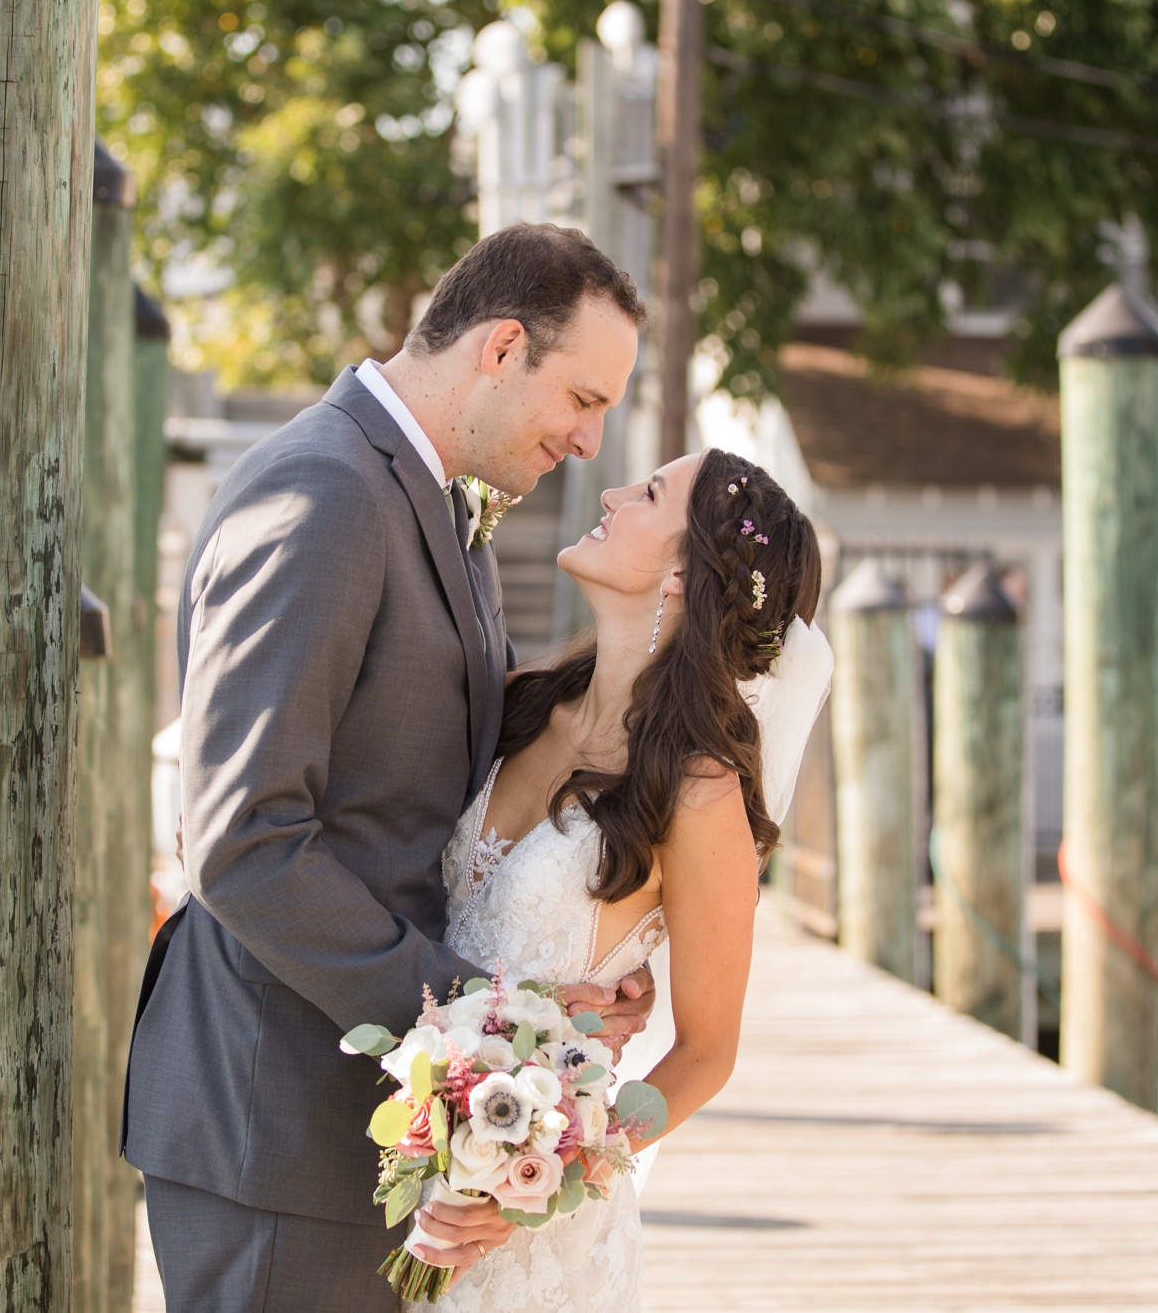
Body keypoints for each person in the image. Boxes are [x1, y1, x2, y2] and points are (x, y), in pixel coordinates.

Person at [122, 223, 659, 1312]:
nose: (590, 442)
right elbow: (242, 841)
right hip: (271, 1122)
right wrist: (490, 1017)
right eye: (585, 400)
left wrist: (573, 970)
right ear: (502, 347)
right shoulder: (320, 495)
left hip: (363, 1130)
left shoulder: (437, 507)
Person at [425, 448, 828, 1312]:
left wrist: (546, 1161)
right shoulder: (524, 698)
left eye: (646, 493)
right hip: (405, 1165)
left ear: (685, 573)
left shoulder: (699, 790)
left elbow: (707, 1053)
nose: (610, 493)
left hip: (530, 1224)